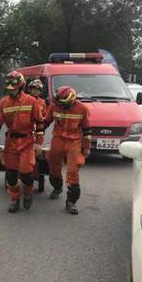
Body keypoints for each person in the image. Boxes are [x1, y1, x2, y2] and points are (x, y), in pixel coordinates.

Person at [0, 71, 45, 213]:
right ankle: (15, 200)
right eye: (9, 89)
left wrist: (39, 142)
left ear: (20, 86)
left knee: (26, 173)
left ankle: (28, 192)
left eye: (14, 88)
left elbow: (39, 123)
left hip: (27, 142)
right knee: (11, 176)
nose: (11, 90)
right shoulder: (3, 103)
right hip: (10, 142)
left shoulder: (31, 101)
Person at [44, 86, 91, 214]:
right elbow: (46, 122)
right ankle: (57, 187)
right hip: (58, 139)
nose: (59, 105)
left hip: (74, 142)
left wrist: (86, 146)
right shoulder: (54, 106)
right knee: (53, 164)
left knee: (73, 170)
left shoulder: (82, 109)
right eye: (57, 102)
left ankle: (71, 202)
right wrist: (36, 132)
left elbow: (87, 130)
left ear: (71, 100)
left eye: (61, 103)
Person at [27, 79, 47, 192]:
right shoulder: (25, 100)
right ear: (30, 89)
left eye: (38, 90)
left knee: (37, 155)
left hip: (38, 129)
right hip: (26, 129)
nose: (36, 92)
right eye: (34, 89)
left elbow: (44, 116)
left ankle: (35, 176)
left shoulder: (42, 102)